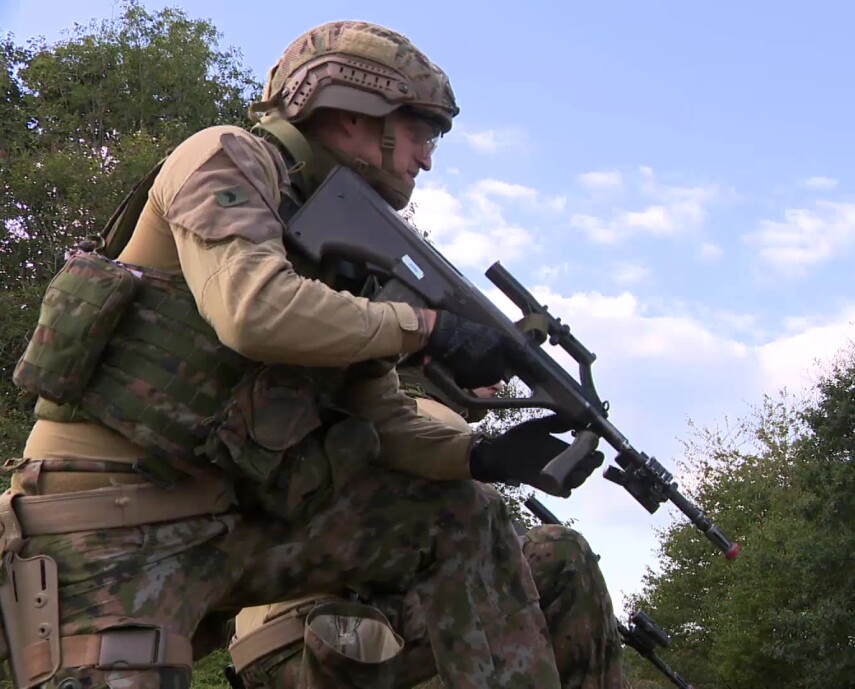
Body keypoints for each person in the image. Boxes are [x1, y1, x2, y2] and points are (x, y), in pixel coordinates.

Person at [1, 19, 602, 689]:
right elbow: (253, 310)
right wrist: (425, 327)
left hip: (230, 527)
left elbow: (384, 424)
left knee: (466, 514)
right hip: (105, 521)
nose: (426, 159)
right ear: (355, 112)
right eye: (422, 132)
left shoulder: (346, 259)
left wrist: (480, 456)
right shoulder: (226, 155)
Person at [225, 372, 625, 689]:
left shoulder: (353, 413)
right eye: (483, 364)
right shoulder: (432, 419)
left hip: (264, 651)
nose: (500, 382)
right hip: (330, 642)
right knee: (561, 553)